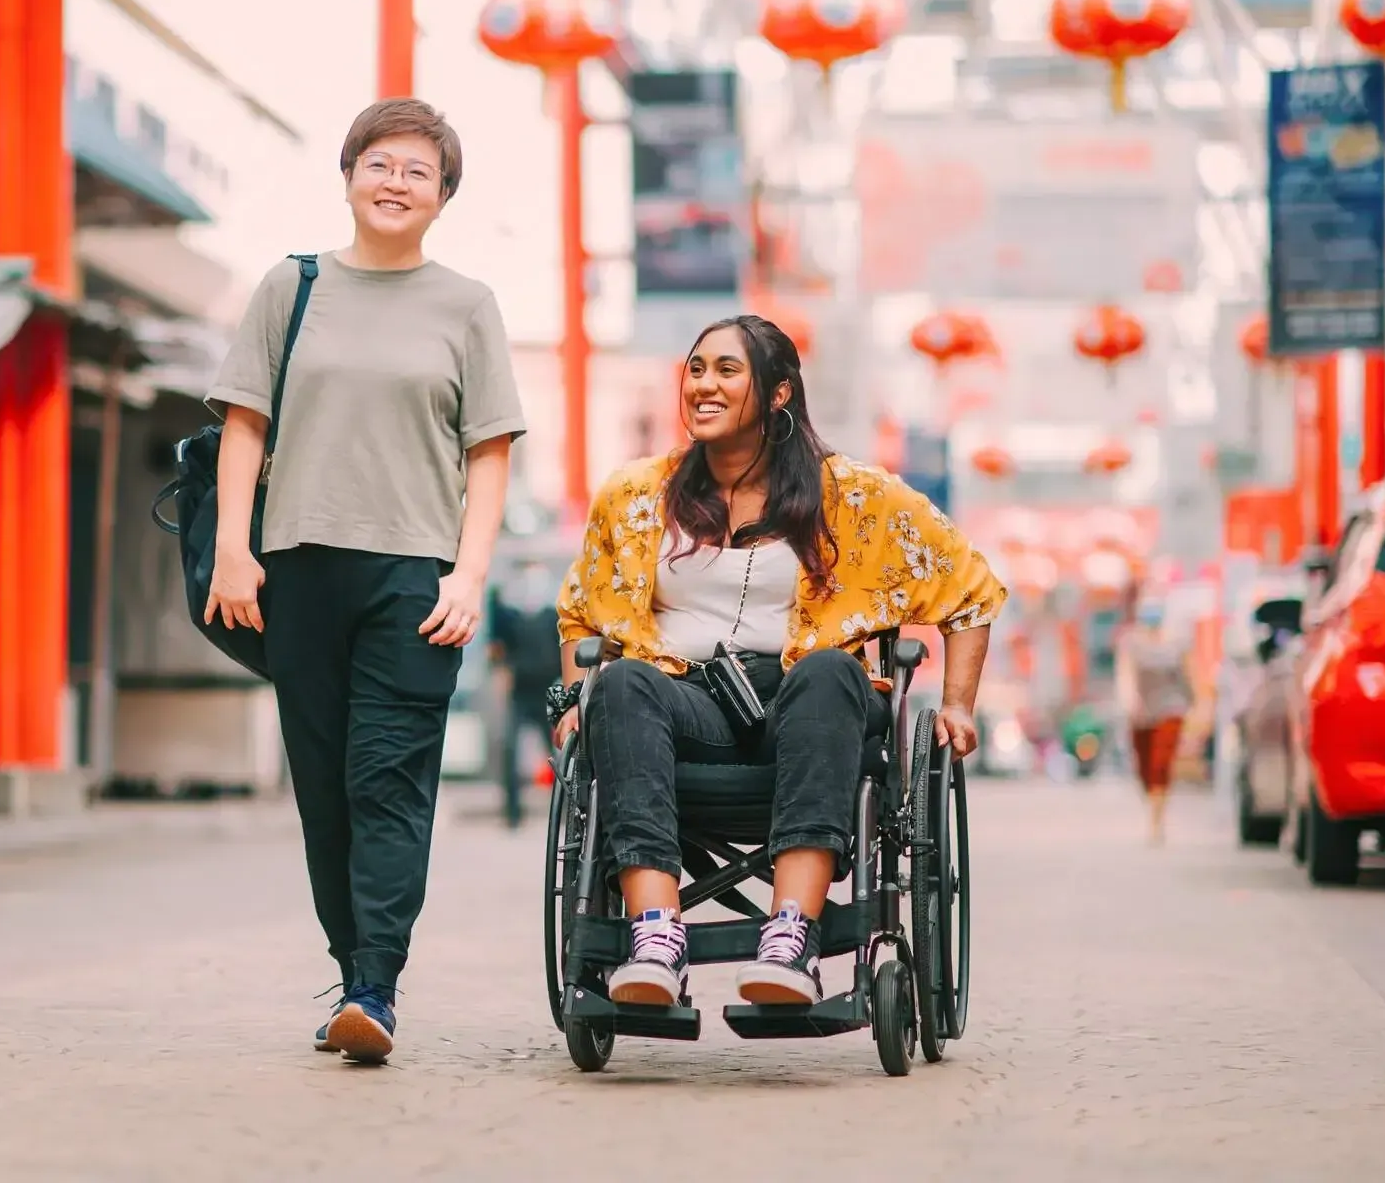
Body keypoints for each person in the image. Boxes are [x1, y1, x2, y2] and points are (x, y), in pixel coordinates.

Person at [552, 315, 1006, 1008]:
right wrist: (575, 700)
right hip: (683, 700)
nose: (704, 384)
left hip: (806, 703)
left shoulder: (853, 497)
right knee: (619, 683)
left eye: (726, 371)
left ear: (779, 394)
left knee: (831, 671)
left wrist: (958, 705)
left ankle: (791, 936)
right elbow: (582, 613)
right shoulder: (636, 496)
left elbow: (969, 587)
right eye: (696, 368)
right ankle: (654, 934)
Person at [203, 98, 526, 1063]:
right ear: (348, 177)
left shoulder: (467, 305)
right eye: (379, 164)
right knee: (325, 788)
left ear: (443, 197)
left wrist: (468, 576)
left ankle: (376, 987)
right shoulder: (291, 288)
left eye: (418, 172)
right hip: (297, 569)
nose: (395, 183)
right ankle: (353, 972)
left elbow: (491, 452)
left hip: (410, 580)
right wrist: (232, 547)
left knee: (387, 781)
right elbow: (244, 424)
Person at [487, 553, 564, 830]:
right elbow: (497, 647)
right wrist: (500, 674)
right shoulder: (508, 610)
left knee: (559, 753)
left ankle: (566, 812)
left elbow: (563, 648)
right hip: (519, 690)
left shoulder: (553, 612)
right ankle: (512, 813)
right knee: (510, 747)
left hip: (546, 690)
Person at [1114, 588, 1194, 846]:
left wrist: (1195, 705)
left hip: (1172, 709)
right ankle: (1153, 803)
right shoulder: (1132, 642)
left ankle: (1157, 821)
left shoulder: (1176, 642)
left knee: (1162, 763)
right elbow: (1126, 674)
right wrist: (1129, 702)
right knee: (1145, 768)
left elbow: (1187, 676)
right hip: (1142, 712)